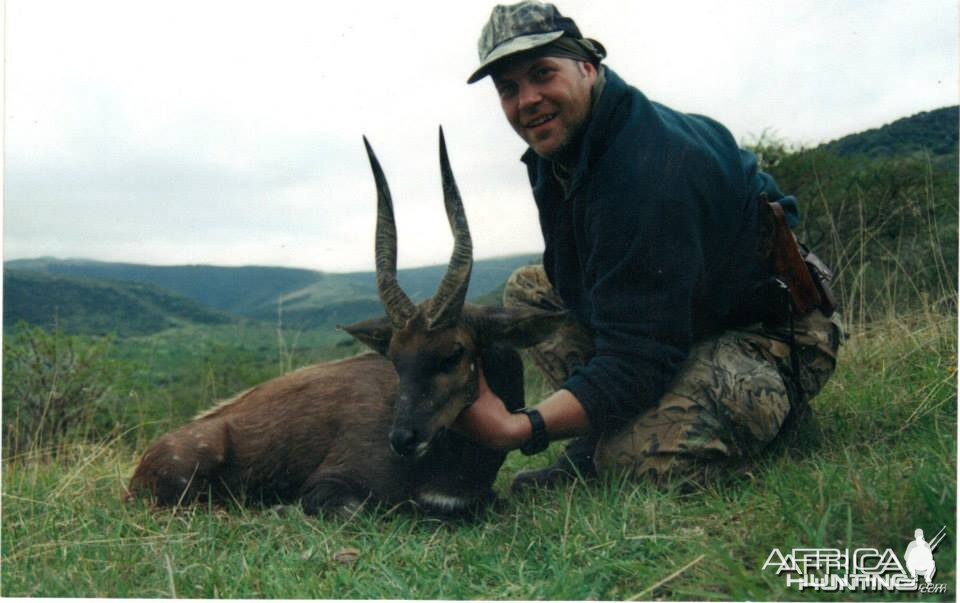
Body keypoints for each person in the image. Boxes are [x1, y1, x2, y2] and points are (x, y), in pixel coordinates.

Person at [453, 0, 843, 489]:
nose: (527, 99)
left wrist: (521, 428)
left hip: (770, 333)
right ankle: (610, 424)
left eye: (542, 73)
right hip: (686, 316)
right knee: (531, 292)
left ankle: (771, 406)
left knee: (630, 463)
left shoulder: (646, 169)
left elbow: (639, 355)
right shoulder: (563, 150)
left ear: (588, 67)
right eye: (508, 89)